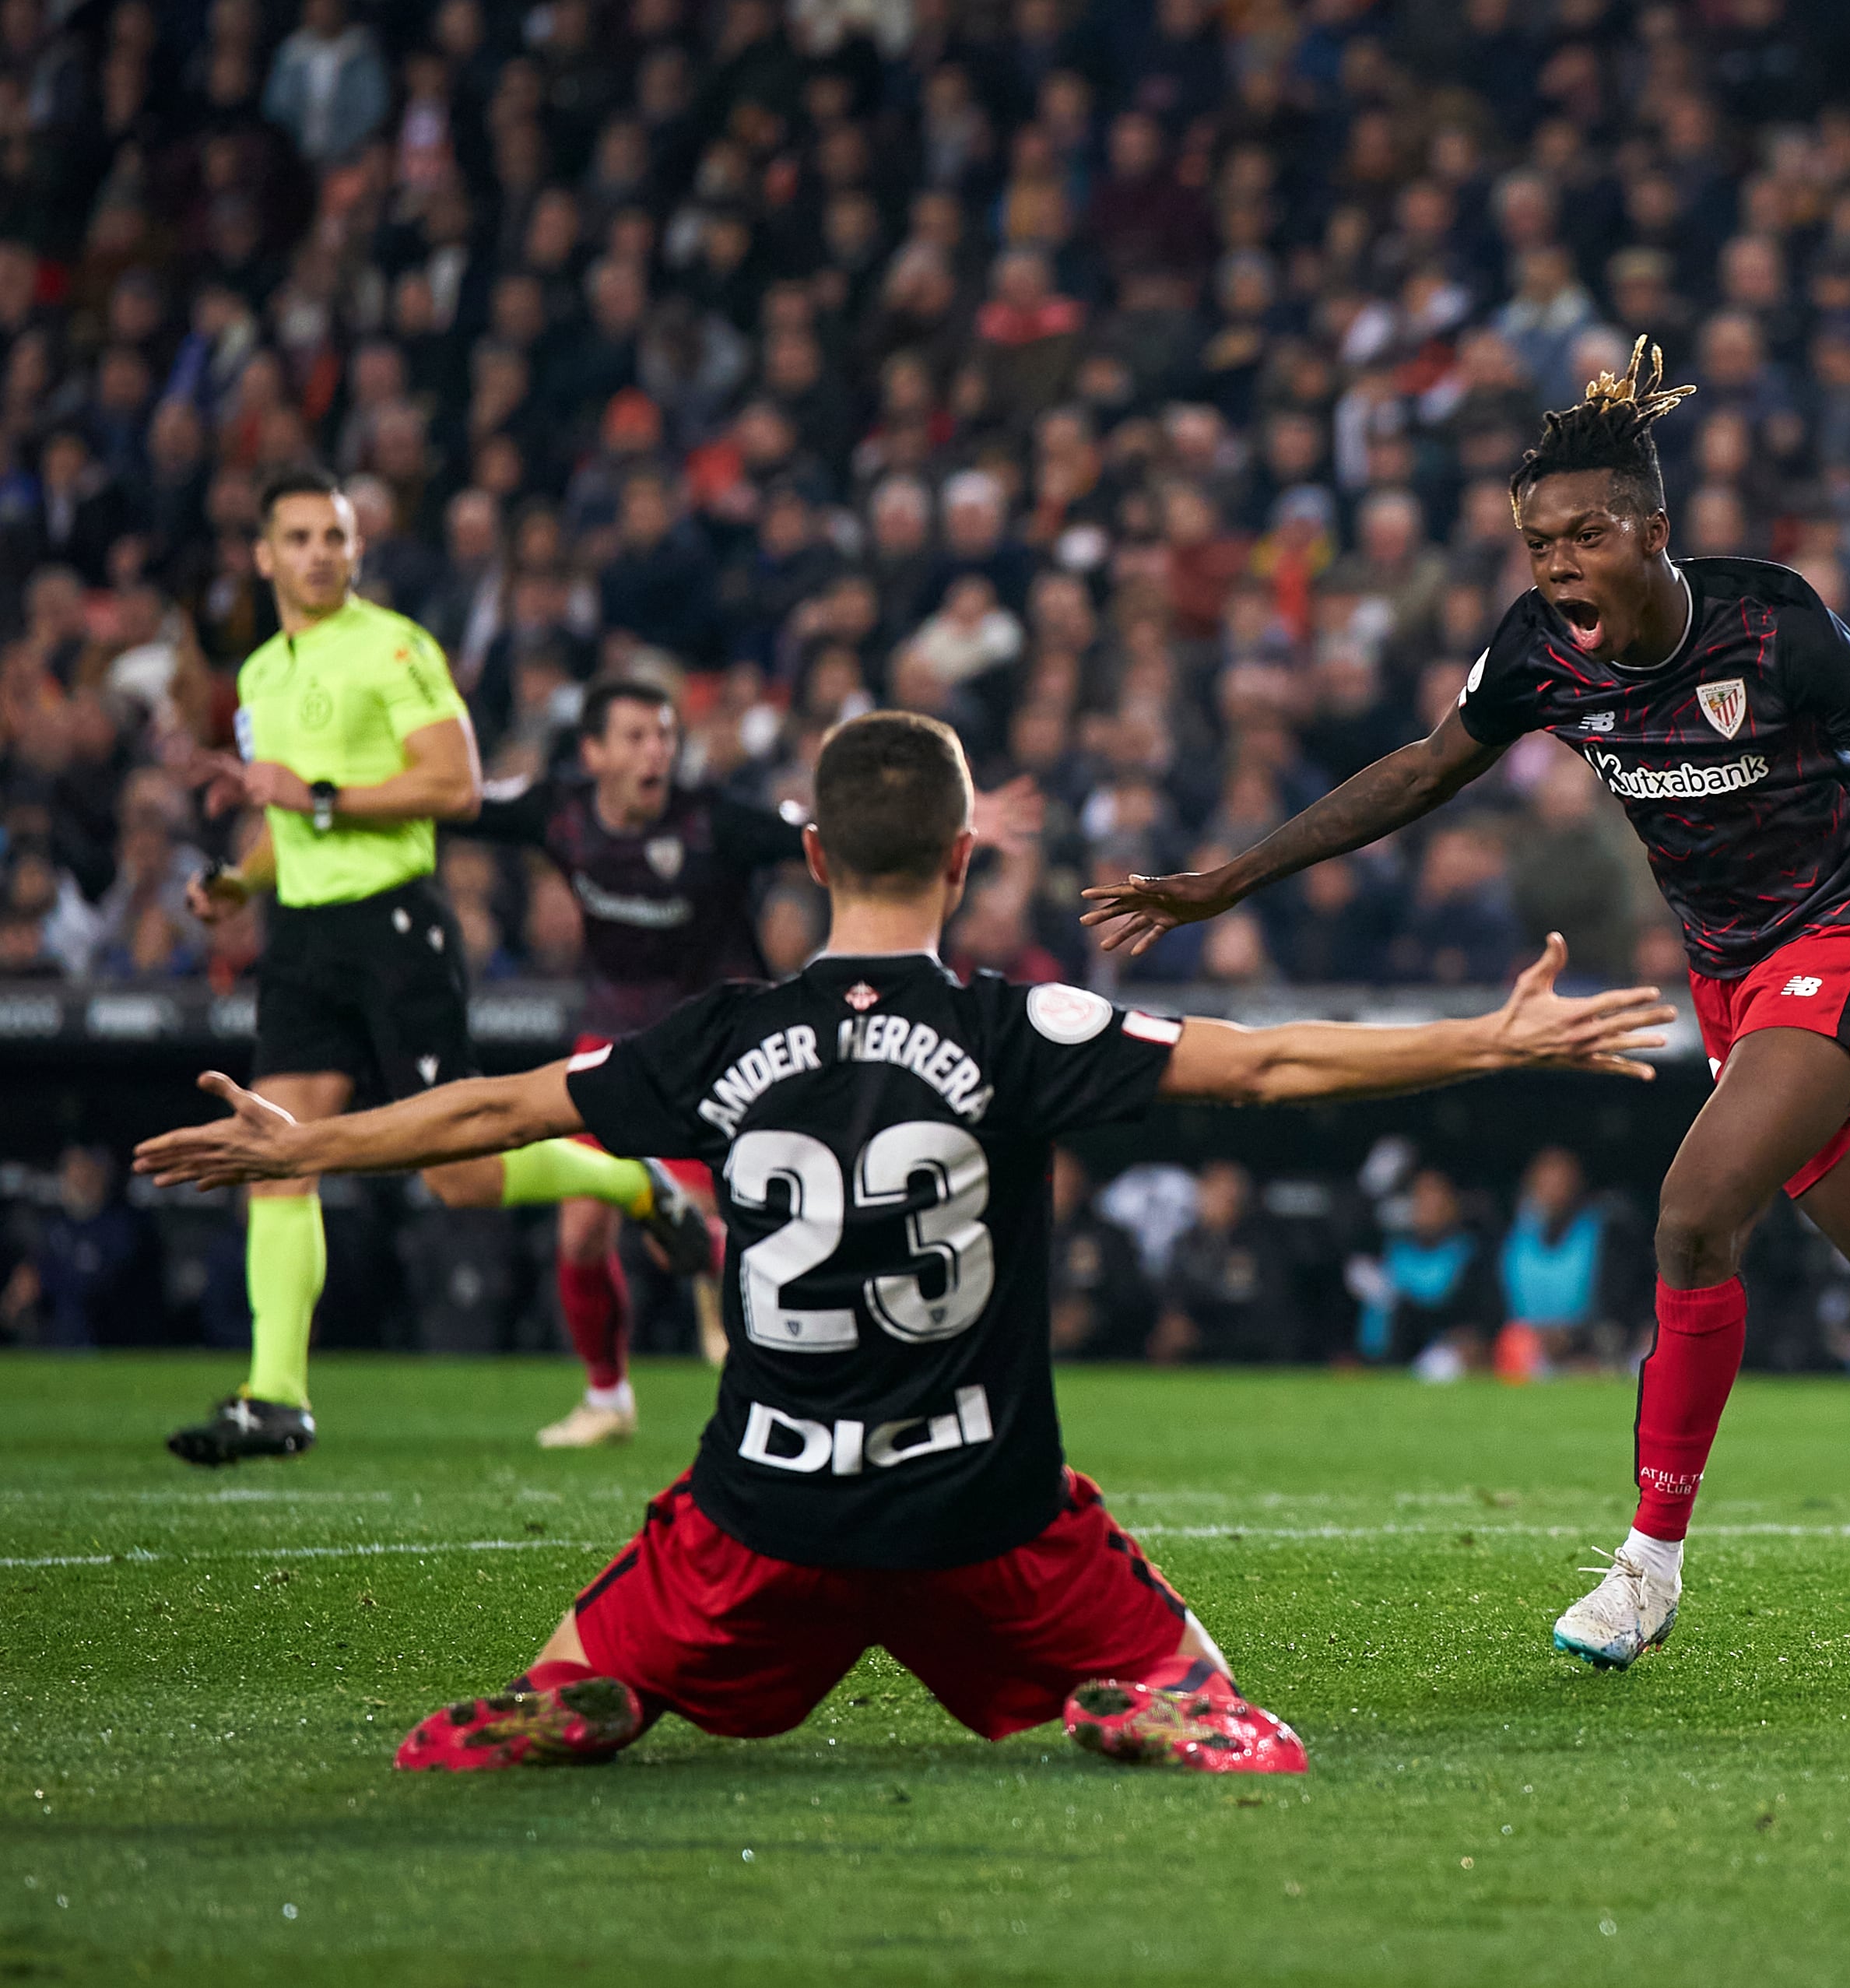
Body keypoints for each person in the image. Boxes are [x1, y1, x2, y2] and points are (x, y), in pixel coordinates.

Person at [1083, 340, 1850, 1671]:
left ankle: (1646, 1566)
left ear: (1654, 531)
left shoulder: (1774, 626)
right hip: (1737, 974)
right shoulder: (1537, 657)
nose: (1556, 561)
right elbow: (1411, 774)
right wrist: (1228, 880)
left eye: (1584, 534)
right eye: (1535, 541)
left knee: (1694, 1212)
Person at [135, 711, 1670, 1775]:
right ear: (958, 862)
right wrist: (1489, 1034)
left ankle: (594, 1687)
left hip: (759, 1518)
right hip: (988, 1518)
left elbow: (499, 1107)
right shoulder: (1019, 1025)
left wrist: (309, 1140)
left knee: (583, 1652)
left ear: (810, 858)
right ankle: (1140, 1700)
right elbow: (1265, 1058)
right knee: (1194, 1675)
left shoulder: (712, 1035)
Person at [169, 470, 701, 1467]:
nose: (321, 553)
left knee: (457, 1174)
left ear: (355, 549)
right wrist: (242, 883)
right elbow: (291, 818)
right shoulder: (259, 677)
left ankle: (633, 1183)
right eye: (300, 537)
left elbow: (454, 785)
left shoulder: (394, 645)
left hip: (394, 925)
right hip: (304, 938)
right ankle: (275, 1396)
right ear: (264, 555)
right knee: (275, 1146)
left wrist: (321, 797)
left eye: (335, 536)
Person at [454, 678, 837, 1445]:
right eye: (635, 737)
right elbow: (454, 802)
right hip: (613, 1040)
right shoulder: (556, 812)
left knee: (707, 1231)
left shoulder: (714, 820)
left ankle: (787, 1388)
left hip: (716, 1044)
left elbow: (816, 837)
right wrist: (319, 794)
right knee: (581, 1236)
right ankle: (608, 1399)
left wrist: (929, 820)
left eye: (664, 735)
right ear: (593, 752)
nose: (656, 750)